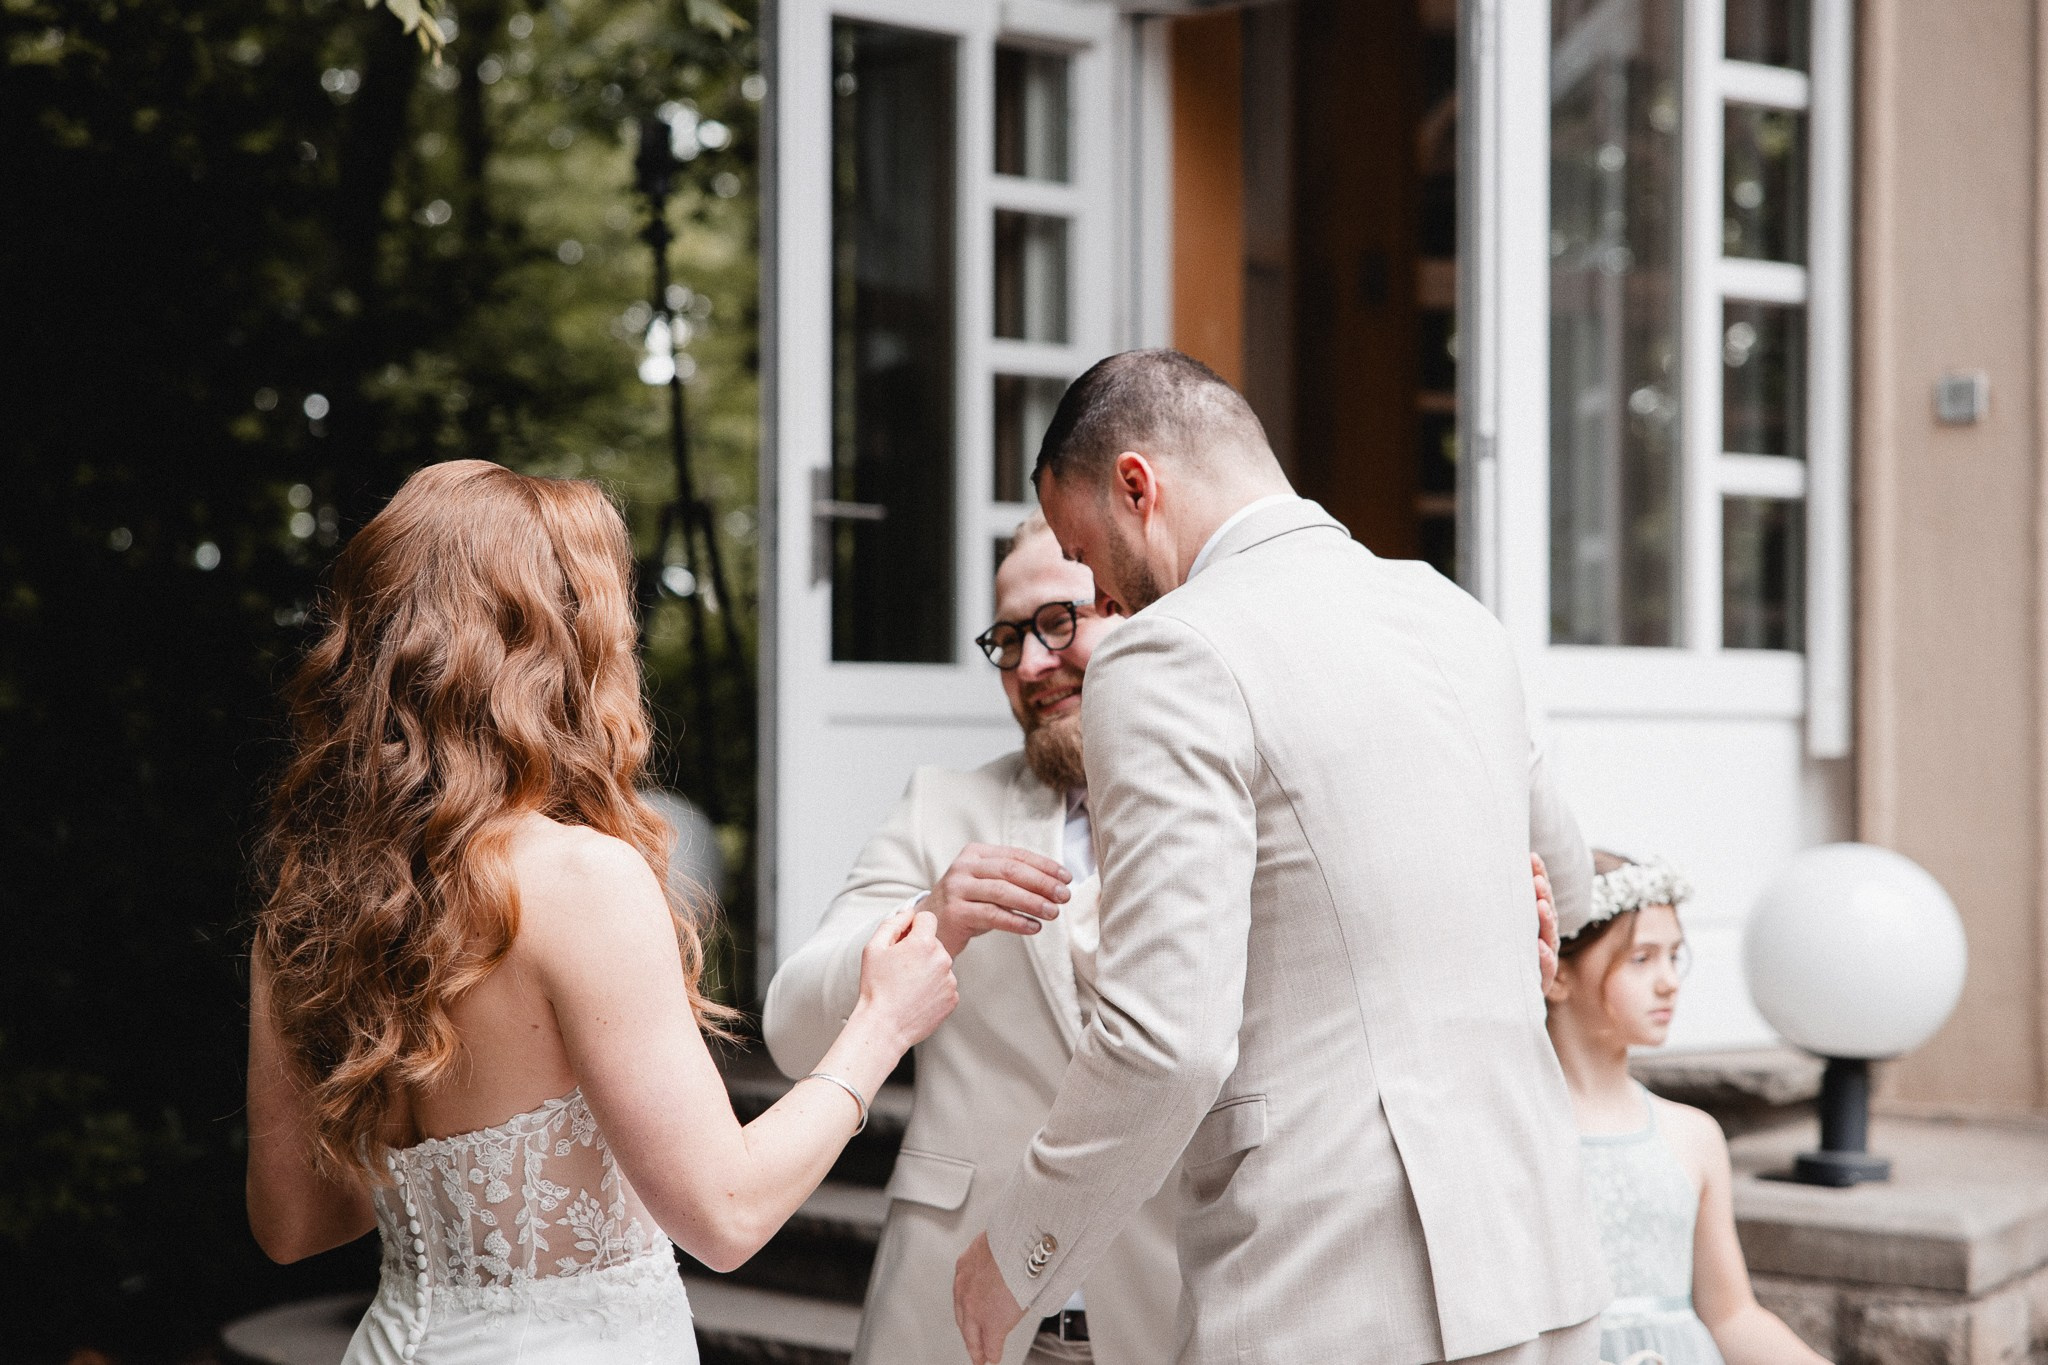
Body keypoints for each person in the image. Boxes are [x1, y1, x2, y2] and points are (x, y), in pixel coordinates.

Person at [952, 349, 1610, 1365]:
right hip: (1535, 1262)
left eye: (1085, 554)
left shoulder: (1170, 655)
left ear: (1138, 485)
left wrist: (1013, 1257)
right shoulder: (1454, 615)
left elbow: (1165, 1040)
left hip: (1323, 1288)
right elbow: (1563, 890)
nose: (1102, 599)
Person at [244, 460, 959, 1365]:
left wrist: (443, 1185)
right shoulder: (583, 882)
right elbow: (728, 1214)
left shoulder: (306, 909)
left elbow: (296, 1223)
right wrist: (881, 1025)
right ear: (566, 647)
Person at [762, 510, 1179, 1365]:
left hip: (1175, 1322)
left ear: (1139, 609)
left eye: (1060, 622)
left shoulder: (1239, 803)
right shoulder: (939, 807)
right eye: (1008, 638)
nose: (1031, 663)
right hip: (952, 1328)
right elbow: (792, 1026)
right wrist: (931, 921)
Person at [1545, 853, 1832, 1365]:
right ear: (1559, 974)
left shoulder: (1691, 1135)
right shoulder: (1525, 1134)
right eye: (1641, 958)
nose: (1669, 982)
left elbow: (1731, 1315)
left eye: (1674, 956)